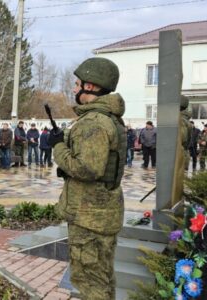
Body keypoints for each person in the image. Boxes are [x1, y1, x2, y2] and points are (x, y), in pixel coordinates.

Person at [49, 57, 126, 299]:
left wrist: (59, 148)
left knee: (89, 282)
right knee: (102, 278)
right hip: (100, 213)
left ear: (90, 86)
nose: (74, 89)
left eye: (77, 84)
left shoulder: (93, 121)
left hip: (89, 216)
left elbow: (87, 169)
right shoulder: (109, 118)